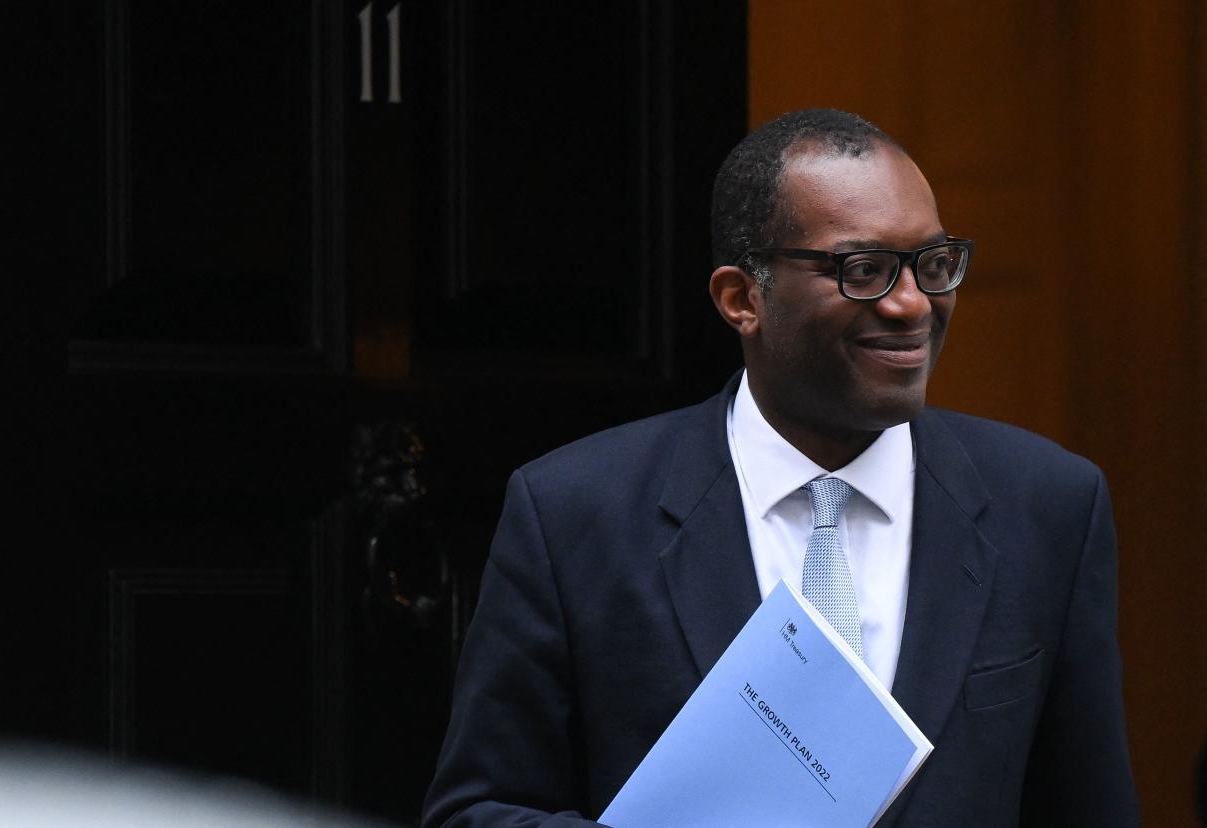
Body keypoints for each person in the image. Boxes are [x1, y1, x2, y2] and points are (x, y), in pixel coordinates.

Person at [422, 109, 1139, 827]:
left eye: (933, 264)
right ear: (741, 299)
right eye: (863, 270)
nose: (911, 304)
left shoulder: (1047, 505)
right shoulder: (574, 513)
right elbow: (477, 812)